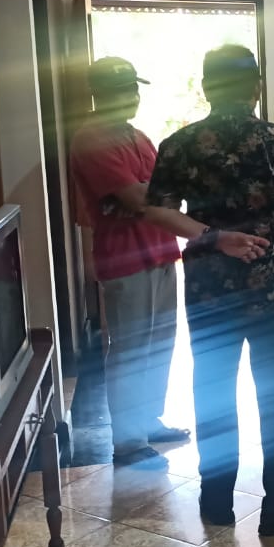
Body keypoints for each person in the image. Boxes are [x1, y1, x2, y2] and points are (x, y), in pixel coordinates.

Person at [145, 45, 274, 532]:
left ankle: (216, 504)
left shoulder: (180, 144)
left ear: (206, 87)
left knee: (212, 397)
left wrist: (212, 237)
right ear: (256, 86)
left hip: (208, 297)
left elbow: (158, 211)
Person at [68, 56, 192, 466]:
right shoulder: (92, 139)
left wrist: (144, 197)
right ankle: (127, 440)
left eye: (134, 89)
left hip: (161, 250)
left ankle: (147, 421)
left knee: (160, 344)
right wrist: (143, 197)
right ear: (100, 94)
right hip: (124, 259)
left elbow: (163, 192)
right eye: (123, 90)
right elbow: (140, 198)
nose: (133, 97)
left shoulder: (137, 136)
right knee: (130, 349)